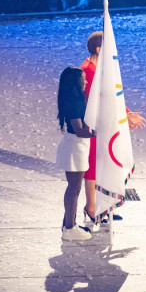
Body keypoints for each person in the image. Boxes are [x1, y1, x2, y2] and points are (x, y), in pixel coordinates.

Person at [80, 31, 146, 225]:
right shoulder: (90, 70)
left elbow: (112, 94)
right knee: (93, 166)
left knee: (103, 164)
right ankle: (91, 207)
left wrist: (127, 112)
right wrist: (124, 116)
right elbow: (101, 100)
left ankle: (102, 205)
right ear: (99, 49)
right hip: (94, 126)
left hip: (104, 125)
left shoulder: (98, 69)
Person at [56, 66, 94, 241]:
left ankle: (69, 224)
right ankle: (69, 228)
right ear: (75, 82)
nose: (86, 82)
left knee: (74, 187)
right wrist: (99, 133)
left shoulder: (73, 99)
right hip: (75, 147)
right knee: (74, 188)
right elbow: (79, 130)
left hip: (76, 146)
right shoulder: (74, 102)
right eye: (83, 79)